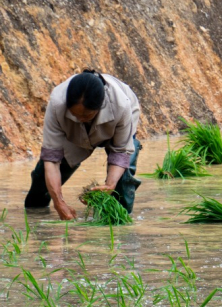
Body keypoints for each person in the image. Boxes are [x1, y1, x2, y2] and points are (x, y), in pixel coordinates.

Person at [24, 70, 142, 219]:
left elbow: (120, 152)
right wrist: (58, 202)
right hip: (73, 132)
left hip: (117, 128)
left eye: (86, 115)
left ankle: (119, 224)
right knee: (41, 182)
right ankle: (34, 215)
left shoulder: (121, 105)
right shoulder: (57, 103)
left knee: (122, 184)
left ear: (100, 107)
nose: (80, 118)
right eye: (75, 114)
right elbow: (51, 159)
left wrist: (110, 185)